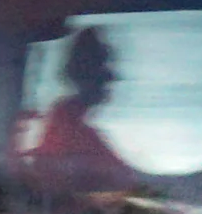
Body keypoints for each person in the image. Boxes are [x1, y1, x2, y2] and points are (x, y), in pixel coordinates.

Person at [16, 26, 145, 199]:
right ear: (87, 74)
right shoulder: (66, 124)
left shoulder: (75, 124)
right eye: (104, 67)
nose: (112, 77)